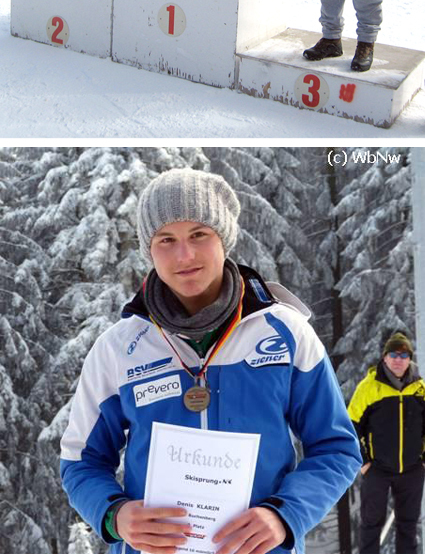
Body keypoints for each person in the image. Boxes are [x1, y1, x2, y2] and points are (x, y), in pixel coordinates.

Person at [60, 167, 361, 554]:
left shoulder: (284, 333)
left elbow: (336, 447)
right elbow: (80, 462)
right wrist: (114, 515)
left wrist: (285, 515)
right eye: (165, 239)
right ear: (148, 250)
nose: (183, 255)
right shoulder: (119, 348)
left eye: (198, 235)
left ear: (225, 238)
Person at [348, 331, 425, 554]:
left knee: (408, 526)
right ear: (384, 357)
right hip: (378, 470)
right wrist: (364, 462)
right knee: (371, 525)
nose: (398, 360)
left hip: (412, 470)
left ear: (410, 358)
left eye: (404, 355)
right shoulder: (369, 387)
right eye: (394, 354)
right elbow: (350, 425)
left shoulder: (419, 389)